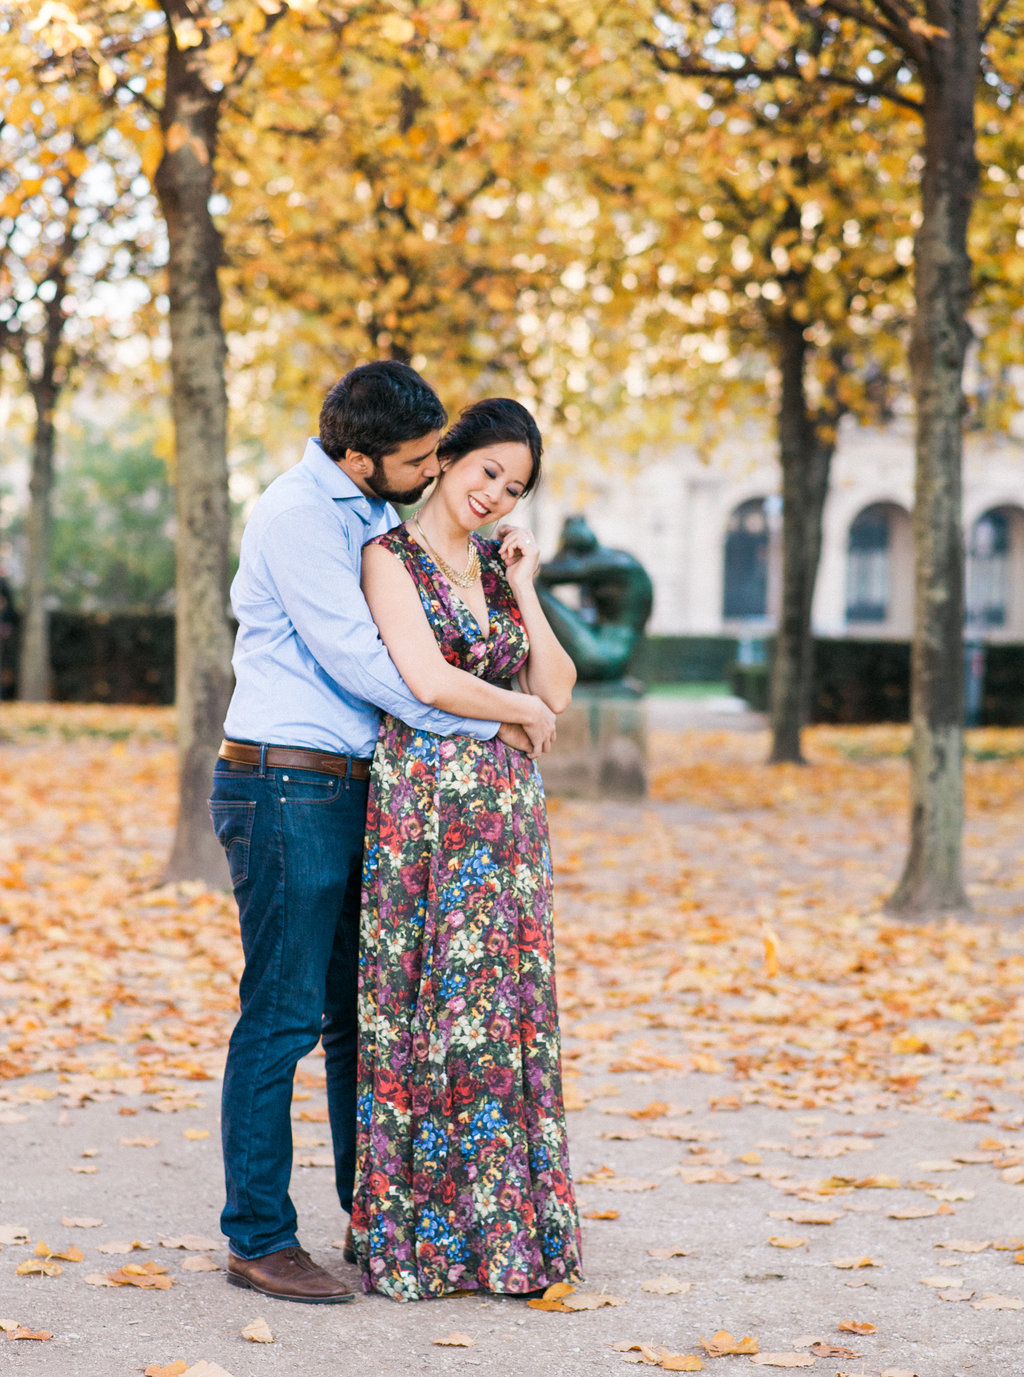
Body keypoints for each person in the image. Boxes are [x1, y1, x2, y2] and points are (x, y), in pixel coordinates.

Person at [209, 363, 557, 1305]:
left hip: (357, 789)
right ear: (362, 457)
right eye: (417, 460)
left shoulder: (366, 512)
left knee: (359, 1017)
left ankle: (377, 1213)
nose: (431, 470)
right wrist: (500, 715)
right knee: (281, 1016)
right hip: (286, 784)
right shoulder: (301, 518)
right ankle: (258, 1236)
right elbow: (370, 665)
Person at [351, 397, 583, 1301]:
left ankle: (508, 1234)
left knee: (505, 1017)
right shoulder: (388, 557)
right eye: (487, 470)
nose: (495, 493)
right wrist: (520, 710)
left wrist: (525, 584)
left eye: (515, 485)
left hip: (509, 824)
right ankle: (431, 1237)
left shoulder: (496, 563)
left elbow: (558, 681)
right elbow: (425, 675)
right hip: (430, 814)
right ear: (446, 459)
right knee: (431, 1012)